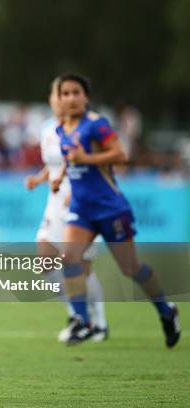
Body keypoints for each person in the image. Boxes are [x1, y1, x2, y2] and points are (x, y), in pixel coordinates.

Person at [53, 73, 181, 347]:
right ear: (60, 98)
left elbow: (120, 154)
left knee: (130, 268)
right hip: (82, 209)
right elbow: (71, 159)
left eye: (76, 92)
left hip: (110, 208)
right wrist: (61, 176)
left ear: (85, 97)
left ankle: (166, 310)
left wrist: (87, 158)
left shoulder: (97, 125)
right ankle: (84, 322)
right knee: (69, 258)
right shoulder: (61, 128)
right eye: (65, 93)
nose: (71, 98)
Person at [24, 77, 108, 342]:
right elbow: (57, 164)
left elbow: (99, 163)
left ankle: (99, 323)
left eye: (69, 94)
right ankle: (77, 315)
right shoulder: (49, 129)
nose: (62, 100)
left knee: (82, 267)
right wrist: (39, 178)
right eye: (58, 95)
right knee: (45, 261)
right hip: (55, 202)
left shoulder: (88, 127)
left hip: (84, 202)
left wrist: (78, 189)